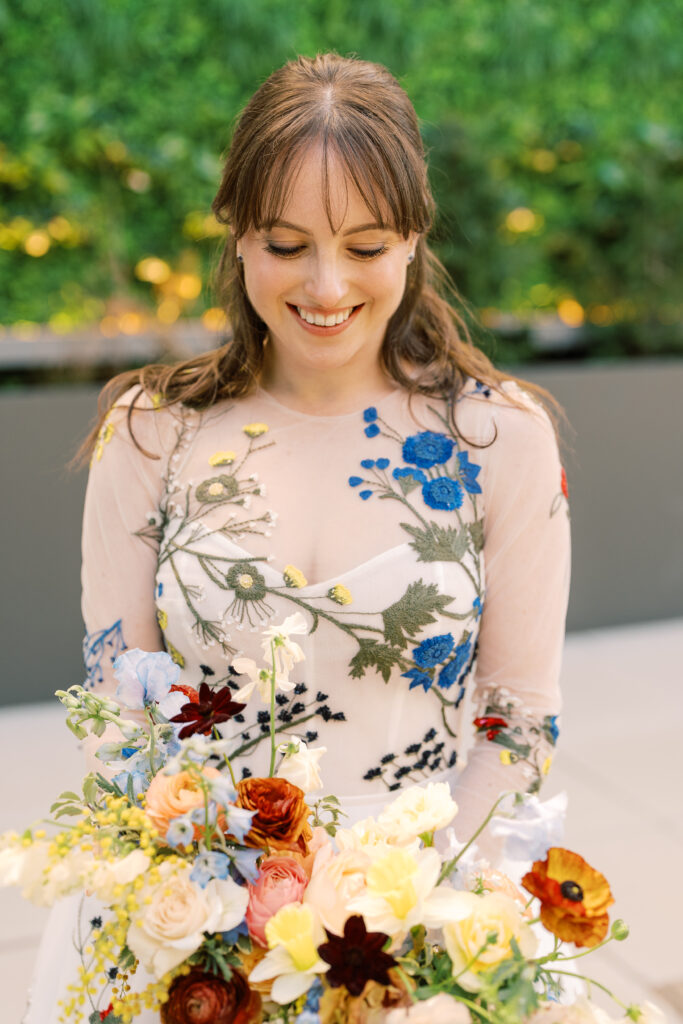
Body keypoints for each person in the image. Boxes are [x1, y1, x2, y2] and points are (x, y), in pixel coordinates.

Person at [24, 53, 570, 1023]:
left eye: (364, 245)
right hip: (192, 934)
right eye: (286, 242)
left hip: (423, 932)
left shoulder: (501, 440)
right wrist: (212, 920)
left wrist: (418, 920)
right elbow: (121, 706)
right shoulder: (151, 436)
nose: (325, 285)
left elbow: (518, 717)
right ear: (237, 236)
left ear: (412, 240)